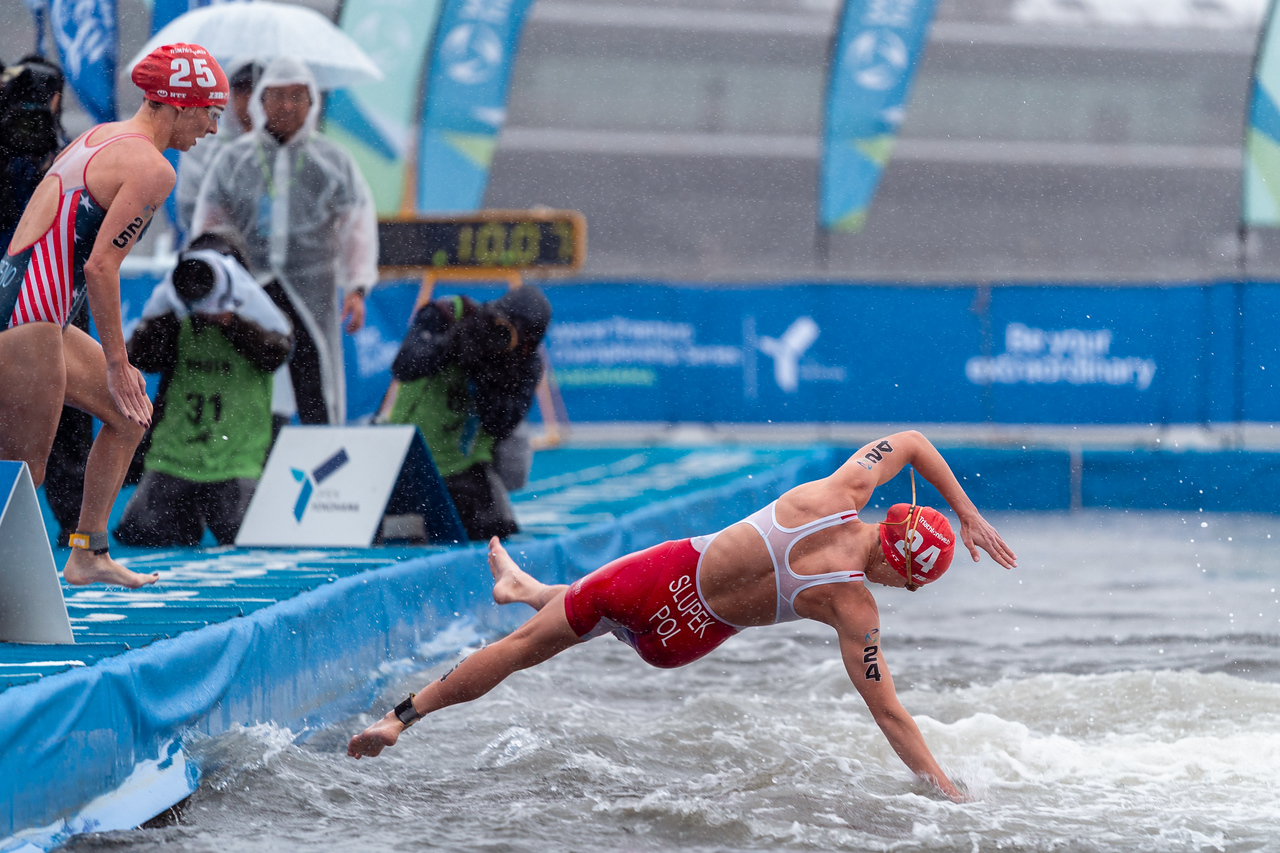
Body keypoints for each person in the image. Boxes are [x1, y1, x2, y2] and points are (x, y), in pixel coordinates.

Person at [348, 431, 1018, 800]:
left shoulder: (843, 489)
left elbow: (912, 441)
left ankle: (400, 717)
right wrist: (947, 791)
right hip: (683, 642)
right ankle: (530, 588)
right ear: (903, 573)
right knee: (575, 615)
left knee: (529, 646)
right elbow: (891, 714)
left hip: (654, 582)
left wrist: (964, 511)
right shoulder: (856, 610)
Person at [0, 43, 226, 587]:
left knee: (130, 416)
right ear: (176, 105)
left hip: (31, 313)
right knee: (22, 479)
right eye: (210, 113)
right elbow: (102, 267)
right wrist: (118, 362)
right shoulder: (152, 168)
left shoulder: (97, 136)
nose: (212, 129)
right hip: (28, 323)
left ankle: (88, 553)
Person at [191, 56, 378, 426]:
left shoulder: (332, 160)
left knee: (317, 374)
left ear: (312, 103)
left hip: (313, 285)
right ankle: (235, 457)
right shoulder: (234, 159)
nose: (288, 105)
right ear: (261, 101)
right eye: (278, 96)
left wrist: (357, 287)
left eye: (298, 96)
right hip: (248, 285)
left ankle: (323, 454)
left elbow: (357, 224)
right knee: (241, 371)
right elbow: (209, 223)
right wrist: (207, 280)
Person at [114, 230, 293, 547]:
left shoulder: (258, 314)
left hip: (236, 459)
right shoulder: (177, 317)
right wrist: (168, 305)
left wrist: (233, 321)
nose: (201, 282)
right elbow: (139, 356)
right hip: (176, 456)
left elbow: (276, 352)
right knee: (140, 532)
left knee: (249, 541)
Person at [388, 285, 552, 540]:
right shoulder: (448, 313)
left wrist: (489, 372)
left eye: (517, 336)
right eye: (503, 326)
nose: (504, 337)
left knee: (494, 533)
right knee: (382, 532)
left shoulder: (526, 363)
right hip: (407, 458)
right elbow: (404, 366)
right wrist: (452, 344)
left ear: (531, 343)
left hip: (466, 469)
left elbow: (501, 424)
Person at [174, 59, 262, 236]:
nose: (250, 99)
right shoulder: (204, 142)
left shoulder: (279, 149)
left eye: (257, 91)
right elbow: (189, 206)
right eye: (242, 90)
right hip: (213, 249)